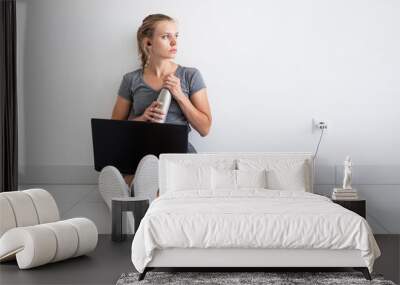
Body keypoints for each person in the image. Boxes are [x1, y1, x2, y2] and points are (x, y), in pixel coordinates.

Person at [98, 14, 212, 210]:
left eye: (176, 35)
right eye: (166, 37)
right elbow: (114, 128)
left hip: (178, 152)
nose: (174, 41)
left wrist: (180, 96)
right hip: (141, 148)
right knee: (141, 169)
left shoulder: (190, 75)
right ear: (148, 43)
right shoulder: (131, 80)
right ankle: (138, 196)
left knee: (158, 179)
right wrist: (142, 119)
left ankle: (133, 202)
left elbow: (205, 128)